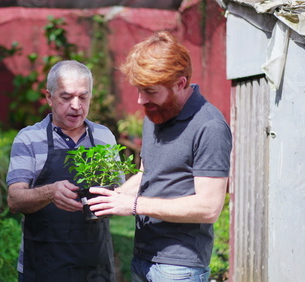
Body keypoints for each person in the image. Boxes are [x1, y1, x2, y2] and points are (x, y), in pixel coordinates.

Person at [88, 31, 232, 282]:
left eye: (150, 91)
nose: (140, 100)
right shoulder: (156, 114)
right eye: (139, 90)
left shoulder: (209, 126)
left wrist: (133, 206)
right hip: (144, 256)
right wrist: (112, 198)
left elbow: (209, 207)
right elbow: (147, 173)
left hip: (179, 266)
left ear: (180, 83)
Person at [7, 60, 117, 282]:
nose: (76, 106)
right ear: (49, 97)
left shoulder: (105, 137)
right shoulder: (29, 139)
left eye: (83, 97)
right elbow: (14, 199)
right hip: (43, 266)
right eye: (66, 97)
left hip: (95, 266)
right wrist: (49, 192)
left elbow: (119, 193)